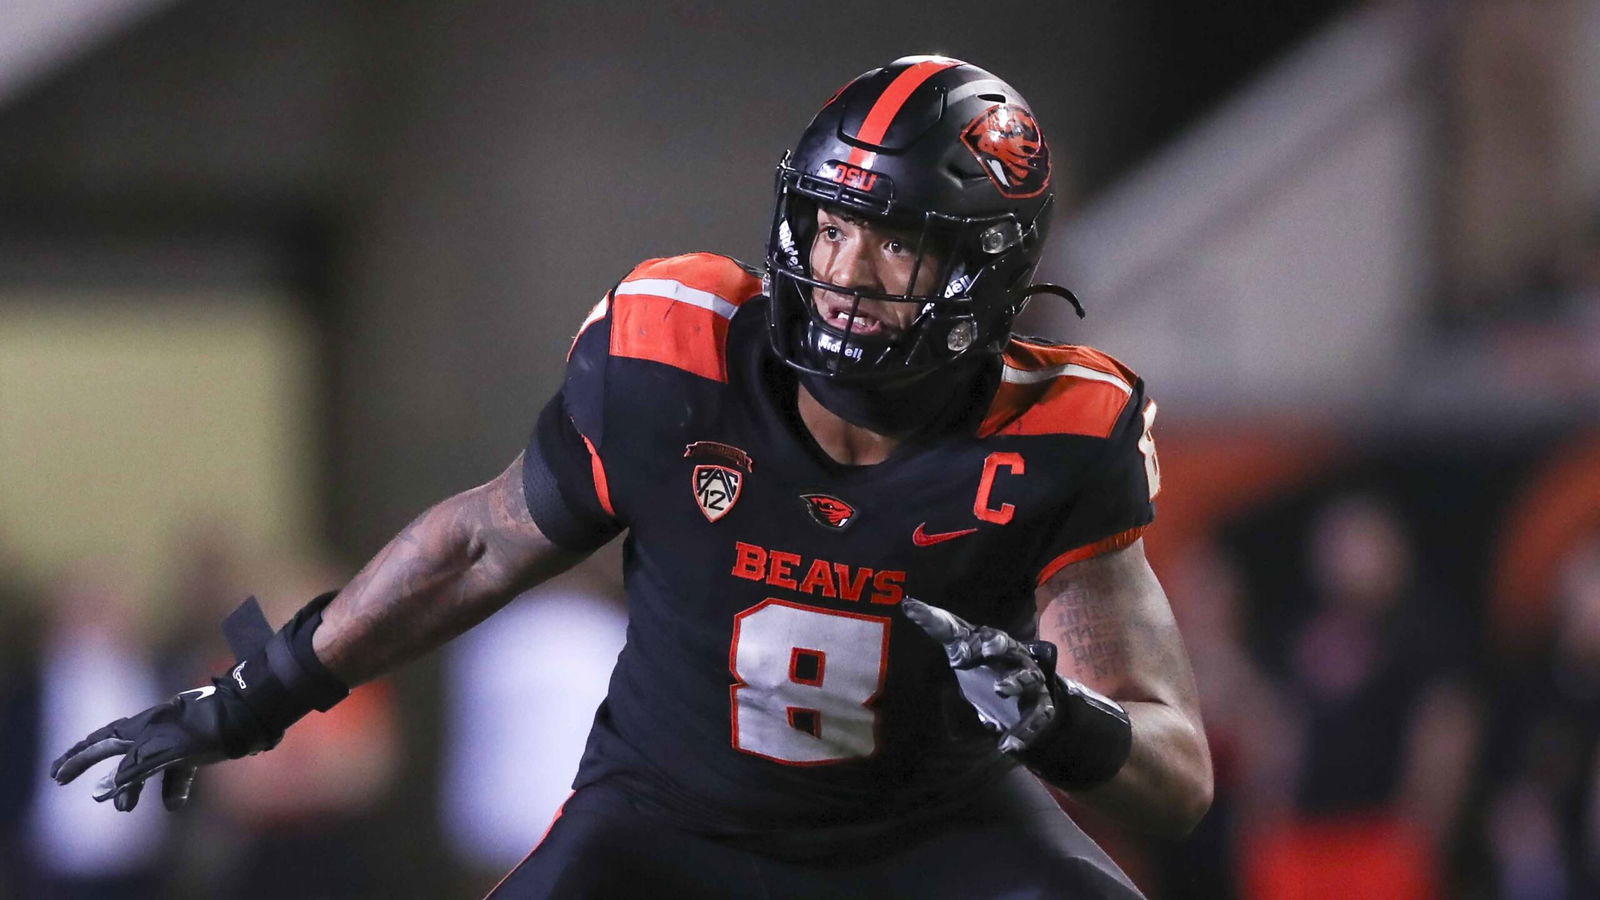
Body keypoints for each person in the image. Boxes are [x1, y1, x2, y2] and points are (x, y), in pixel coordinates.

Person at [50, 55, 1212, 898]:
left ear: (987, 267)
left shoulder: (1056, 432)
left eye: (896, 239)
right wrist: (253, 697)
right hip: (669, 825)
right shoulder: (678, 354)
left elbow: (1176, 774)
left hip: (931, 836)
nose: (845, 270)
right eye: (828, 225)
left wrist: (1065, 723)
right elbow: (476, 545)